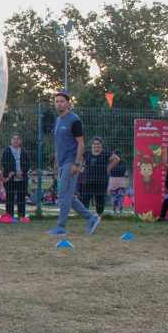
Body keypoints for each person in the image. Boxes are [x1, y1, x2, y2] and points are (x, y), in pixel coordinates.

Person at [46, 90, 101, 237]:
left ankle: (61, 227)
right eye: (56, 101)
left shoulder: (74, 120)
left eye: (62, 101)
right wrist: (57, 164)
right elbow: (59, 144)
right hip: (63, 163)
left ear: (68, 103)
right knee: (67, 195)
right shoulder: (57, 121)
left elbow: (81, 144)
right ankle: (91, 218)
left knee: (64, 195)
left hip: (72, 162)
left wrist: (77, 163)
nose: (59, 103)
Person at [81, 137, 120, 215]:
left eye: (98, 144)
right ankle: (84, 214)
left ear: (101, 145)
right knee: (85, 198)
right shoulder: (87, 153)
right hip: (88, 180)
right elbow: (78, 158)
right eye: (94, 144)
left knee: (100, 199)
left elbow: (117, 159)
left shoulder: (105, 153)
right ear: (92, 145)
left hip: (102, 180)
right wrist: (81, 167)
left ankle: (99, 215)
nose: (96, 145)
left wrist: (109, 168)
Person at [0, 133, 31, 218]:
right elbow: (4, 162)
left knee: (21, 198)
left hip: (22, 178)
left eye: (17, 139)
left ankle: (21, 215)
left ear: (20, 141)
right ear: (11, 141)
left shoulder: (24, 152)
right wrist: (13, 171)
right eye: (14, 138)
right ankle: (9, 215)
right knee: (10, 197)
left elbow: (28, 163)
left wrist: (22, 171)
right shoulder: (6, 151)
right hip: (10, 178)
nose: (16, 140)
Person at [107, 148, 127, 213]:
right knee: (114, 197)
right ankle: (114, 209)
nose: (117, 156)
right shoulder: (111, 162)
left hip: (120, 182)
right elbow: (110, 171)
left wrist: (114, 169)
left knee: (120, 196)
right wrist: (116, 170)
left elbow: (121, 171)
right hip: (113, 181)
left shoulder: (123, 162)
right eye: (115, 154)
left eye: (118, 154)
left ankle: (121, 209)